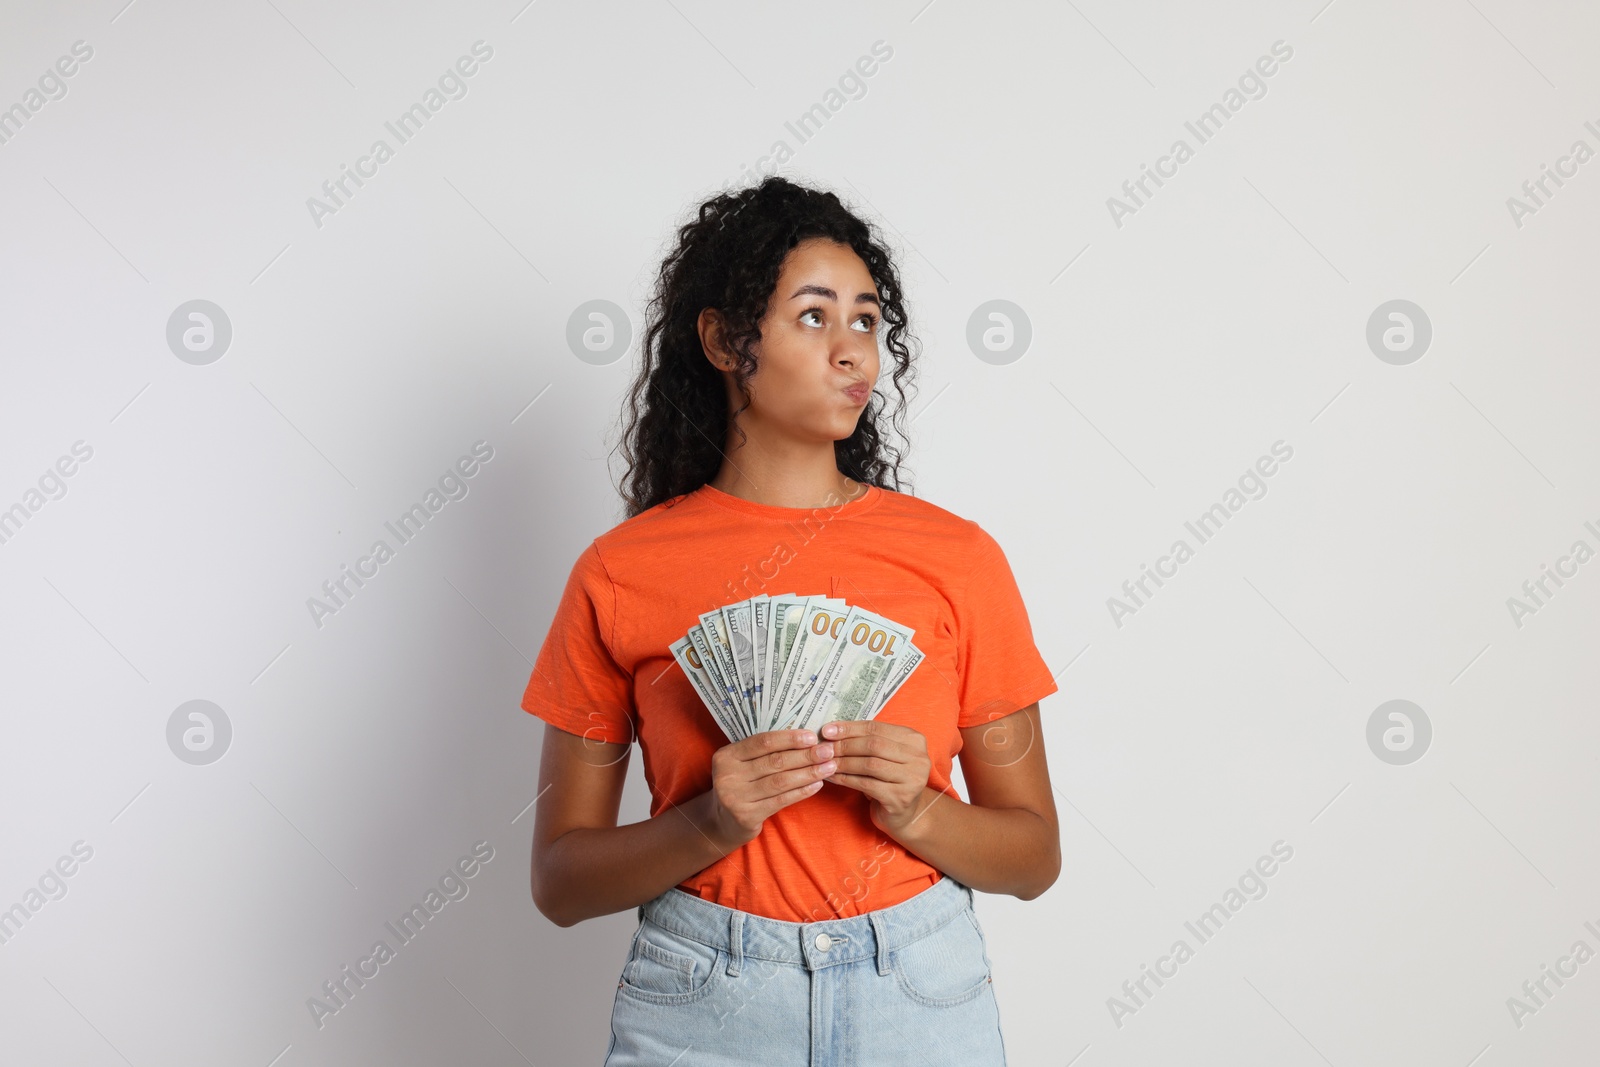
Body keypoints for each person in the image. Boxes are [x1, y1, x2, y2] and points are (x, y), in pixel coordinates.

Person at [522, 175, 1061, 1065]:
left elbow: (1032, 855)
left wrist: (917, 807)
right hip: (701, 998)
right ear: (725, 340)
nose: (855, 352)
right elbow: (560, 880)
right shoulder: (620, 572)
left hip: (919, 994)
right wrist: (707, 822)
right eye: (814, 317)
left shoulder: (957, 558)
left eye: (866, 320)